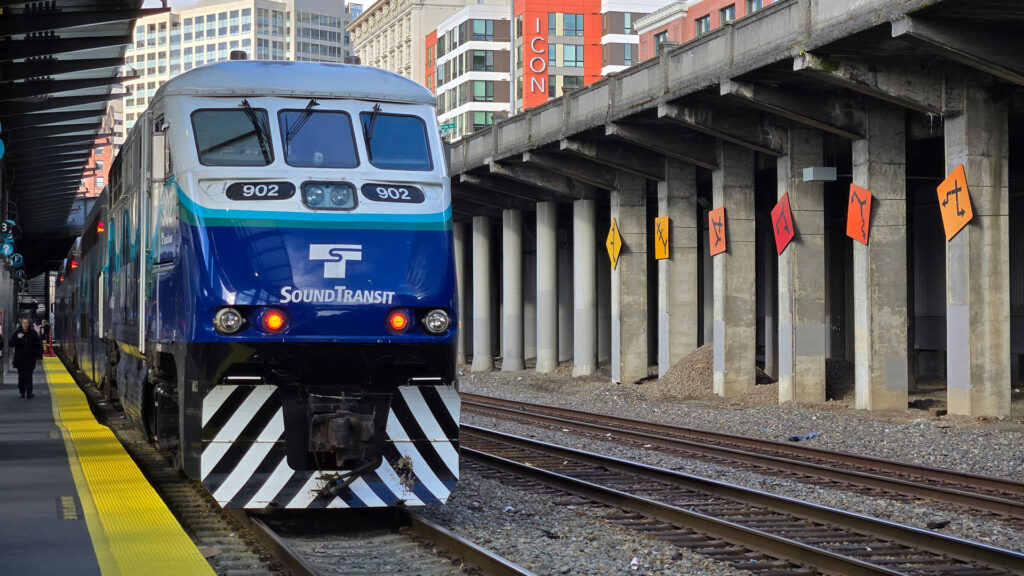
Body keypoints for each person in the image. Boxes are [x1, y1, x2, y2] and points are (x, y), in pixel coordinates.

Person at [10, 318, 43, 399]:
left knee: (29, 376)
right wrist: (17, 338)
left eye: (27, 323)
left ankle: (29, 393)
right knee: (21, 377)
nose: (25, 324)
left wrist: (39, 357)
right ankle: (22, 392)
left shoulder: (33, 333)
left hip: (30, 359)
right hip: (20, 359)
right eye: (24, 323)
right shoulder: (17, 333)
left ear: (29, 324)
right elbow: (10, 343)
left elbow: (39, 346)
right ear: (21, 324)